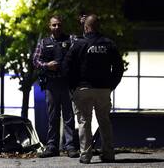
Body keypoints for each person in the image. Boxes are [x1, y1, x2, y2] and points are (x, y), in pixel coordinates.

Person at [63, 14, 124, 164]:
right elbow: (119, 68)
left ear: (86, 27)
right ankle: (108, 153)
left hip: (83, 89)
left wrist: (72, 87)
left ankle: (85, 155)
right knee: (104, 120)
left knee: (84, 121)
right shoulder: (108, 43)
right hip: (103, 89)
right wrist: (111, 86)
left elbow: (66, 66)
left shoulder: (79, 44)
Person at [33, 16, 79, 158]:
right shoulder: (43, 42)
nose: (57, 27)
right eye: (54, 25)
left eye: (59, 25)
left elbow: (81, 47)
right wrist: (47, 65)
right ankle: (52, 147)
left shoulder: (70, 40)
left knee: (68, 117)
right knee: (52, 117)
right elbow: (35, 60)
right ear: (49, 26)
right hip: (51, 84)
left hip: (66, 83)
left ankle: (70, 147)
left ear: (62, 25)